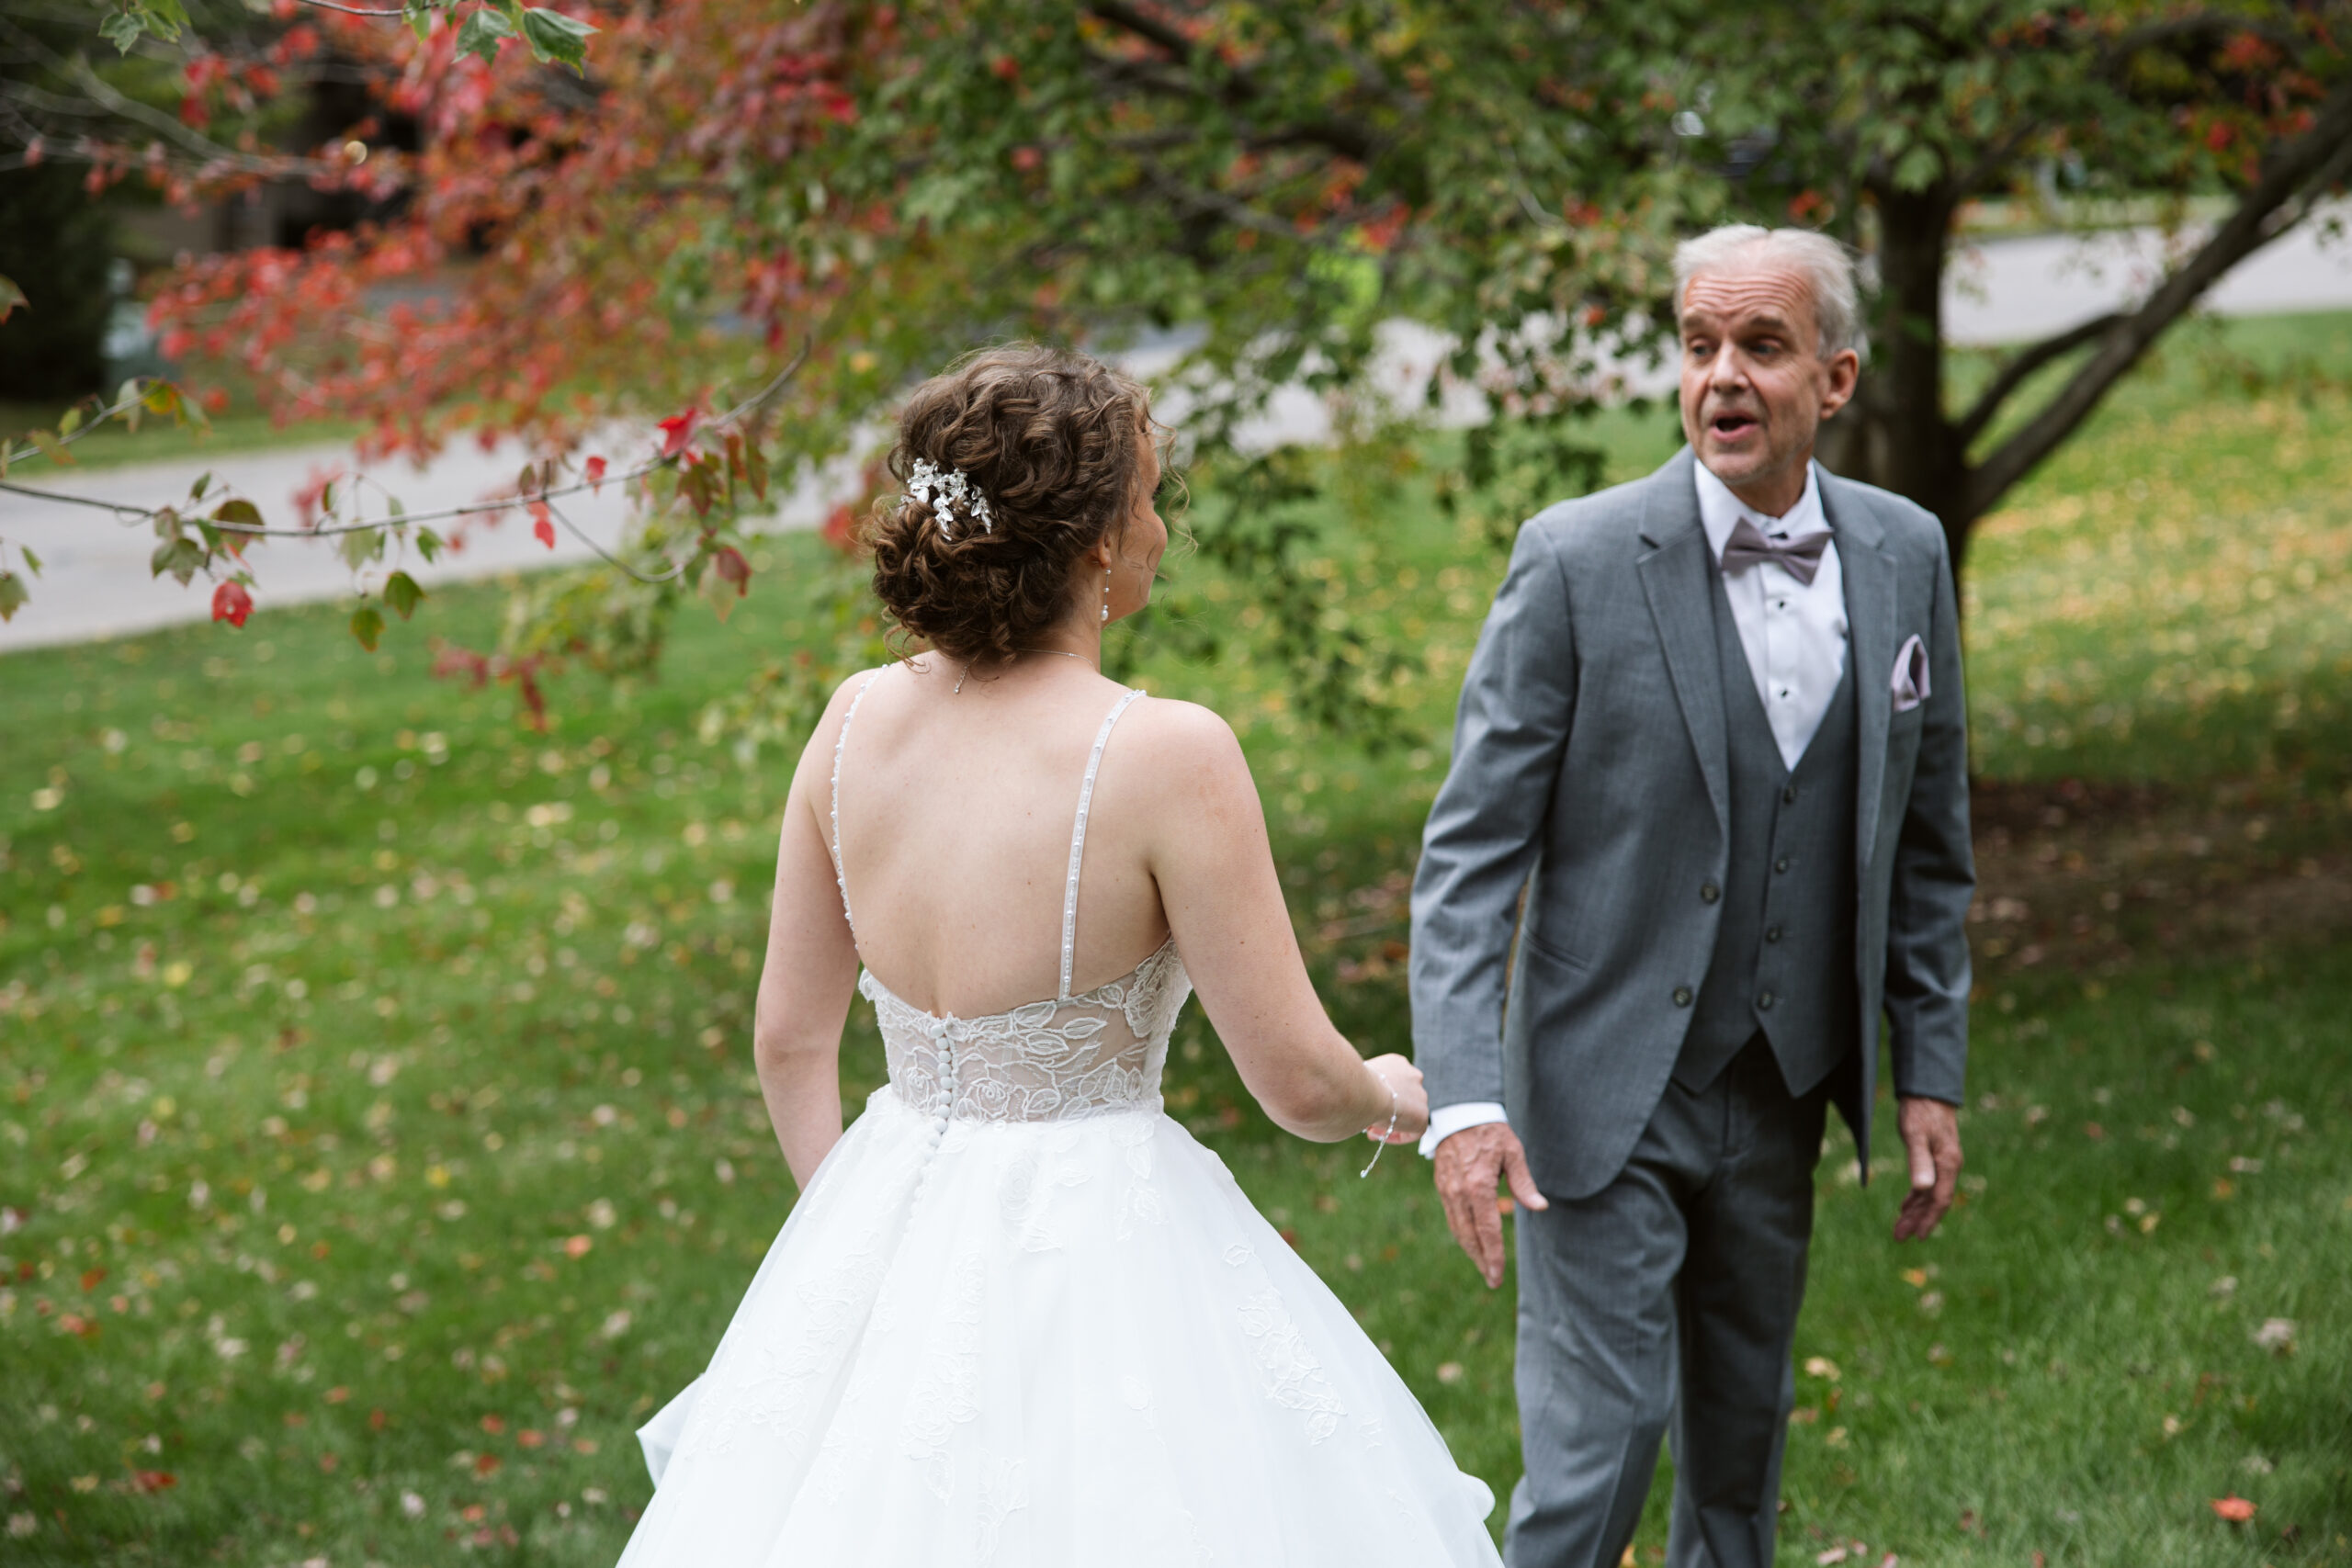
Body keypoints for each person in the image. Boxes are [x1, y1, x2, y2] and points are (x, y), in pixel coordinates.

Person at [616, 344, 1502, 1567]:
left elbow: (789, 1037)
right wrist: (1391, 1097)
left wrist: (855, 1243)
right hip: (1103, 1252)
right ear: (1093, 541)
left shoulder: (853, 724)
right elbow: (1296, 1083)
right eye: (1148, 496)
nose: (1159, 528)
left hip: (888, 1201)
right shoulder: (1163, 755)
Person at [1408, 225, 1975, 1568]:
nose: (1722, 375)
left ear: (1833, 382)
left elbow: (1932, 843)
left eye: (1761, 348)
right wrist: (1468, 1101)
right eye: (1699, 344)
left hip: (1785, 1081)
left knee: (1741, 1457)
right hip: (1600, 1089)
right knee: (1595, 1460)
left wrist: (1928, 1068)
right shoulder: (1578, 559)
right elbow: (1469, 856)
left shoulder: (1905, 554)